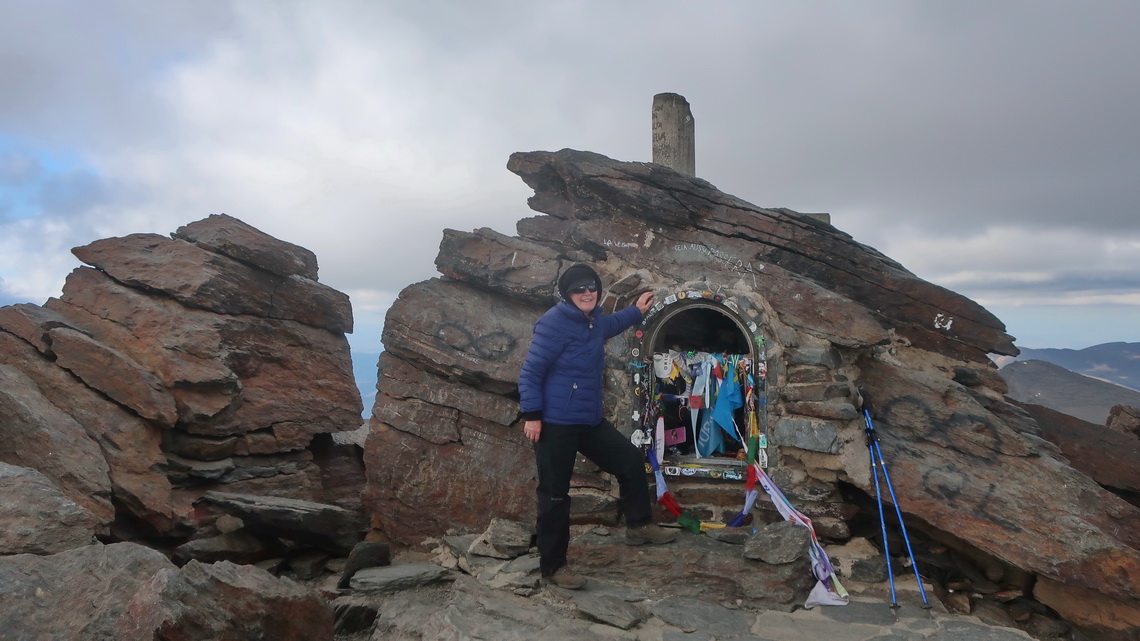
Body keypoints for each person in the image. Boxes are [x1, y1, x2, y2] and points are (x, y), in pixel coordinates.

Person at [518, 263, 676, 590]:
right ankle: (554, 568)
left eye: (591, 288)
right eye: (579, 289)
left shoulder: (592, 321)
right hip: (554, 424)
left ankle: (639, 527)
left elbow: (612, 324)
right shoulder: (553, 324)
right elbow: (531, 373)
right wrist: (532, 414)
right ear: (567, 294)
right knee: (555, 496)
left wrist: (636, 311)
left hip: (587, 421)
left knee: (630, 461)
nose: (586, 293)